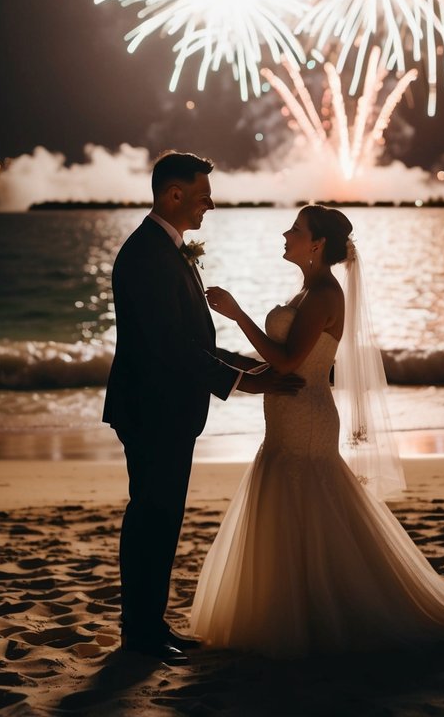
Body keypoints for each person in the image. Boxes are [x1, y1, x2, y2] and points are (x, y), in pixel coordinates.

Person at [190, 204, 444, 658]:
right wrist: (235, 370)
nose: (285, 234)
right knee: (293, 510)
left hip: (306, 417)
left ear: (318, 243)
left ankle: (322, 618)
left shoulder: (325, 293)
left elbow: (289, 364)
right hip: (288, 416)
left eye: (296, 229)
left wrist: (237, 313)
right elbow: (287, 360)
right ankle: (301, 612)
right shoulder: (308, 291)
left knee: (310, 506)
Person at [102, 151, 304, 664]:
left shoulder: (169, 250)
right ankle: (141, 633)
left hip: (170, 410)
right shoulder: (147, 255)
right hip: (151, 411)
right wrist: (244, 383)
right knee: (151, 516)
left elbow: (196, 340)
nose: (209, 205)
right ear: (173, 195)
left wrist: (254, 369)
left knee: (163, 518)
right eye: (201, 195)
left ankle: (150, 625)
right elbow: (170, 347)